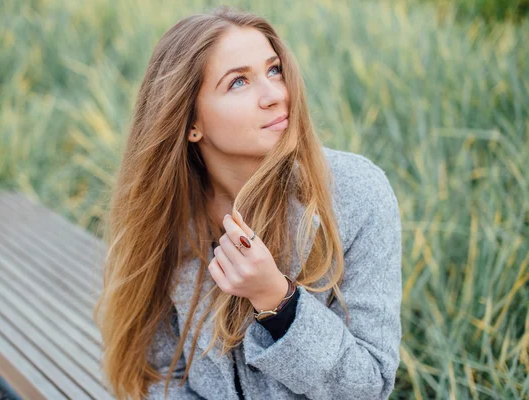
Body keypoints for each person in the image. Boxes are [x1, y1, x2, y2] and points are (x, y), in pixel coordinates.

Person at [93, 5, 403, 400]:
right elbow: (158, 374)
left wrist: (278, 301)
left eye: (274, 70)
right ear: (190, 122)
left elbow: (369, 387)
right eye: (238, 82)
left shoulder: (356, 194)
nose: (275, 95)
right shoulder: (165, 213)